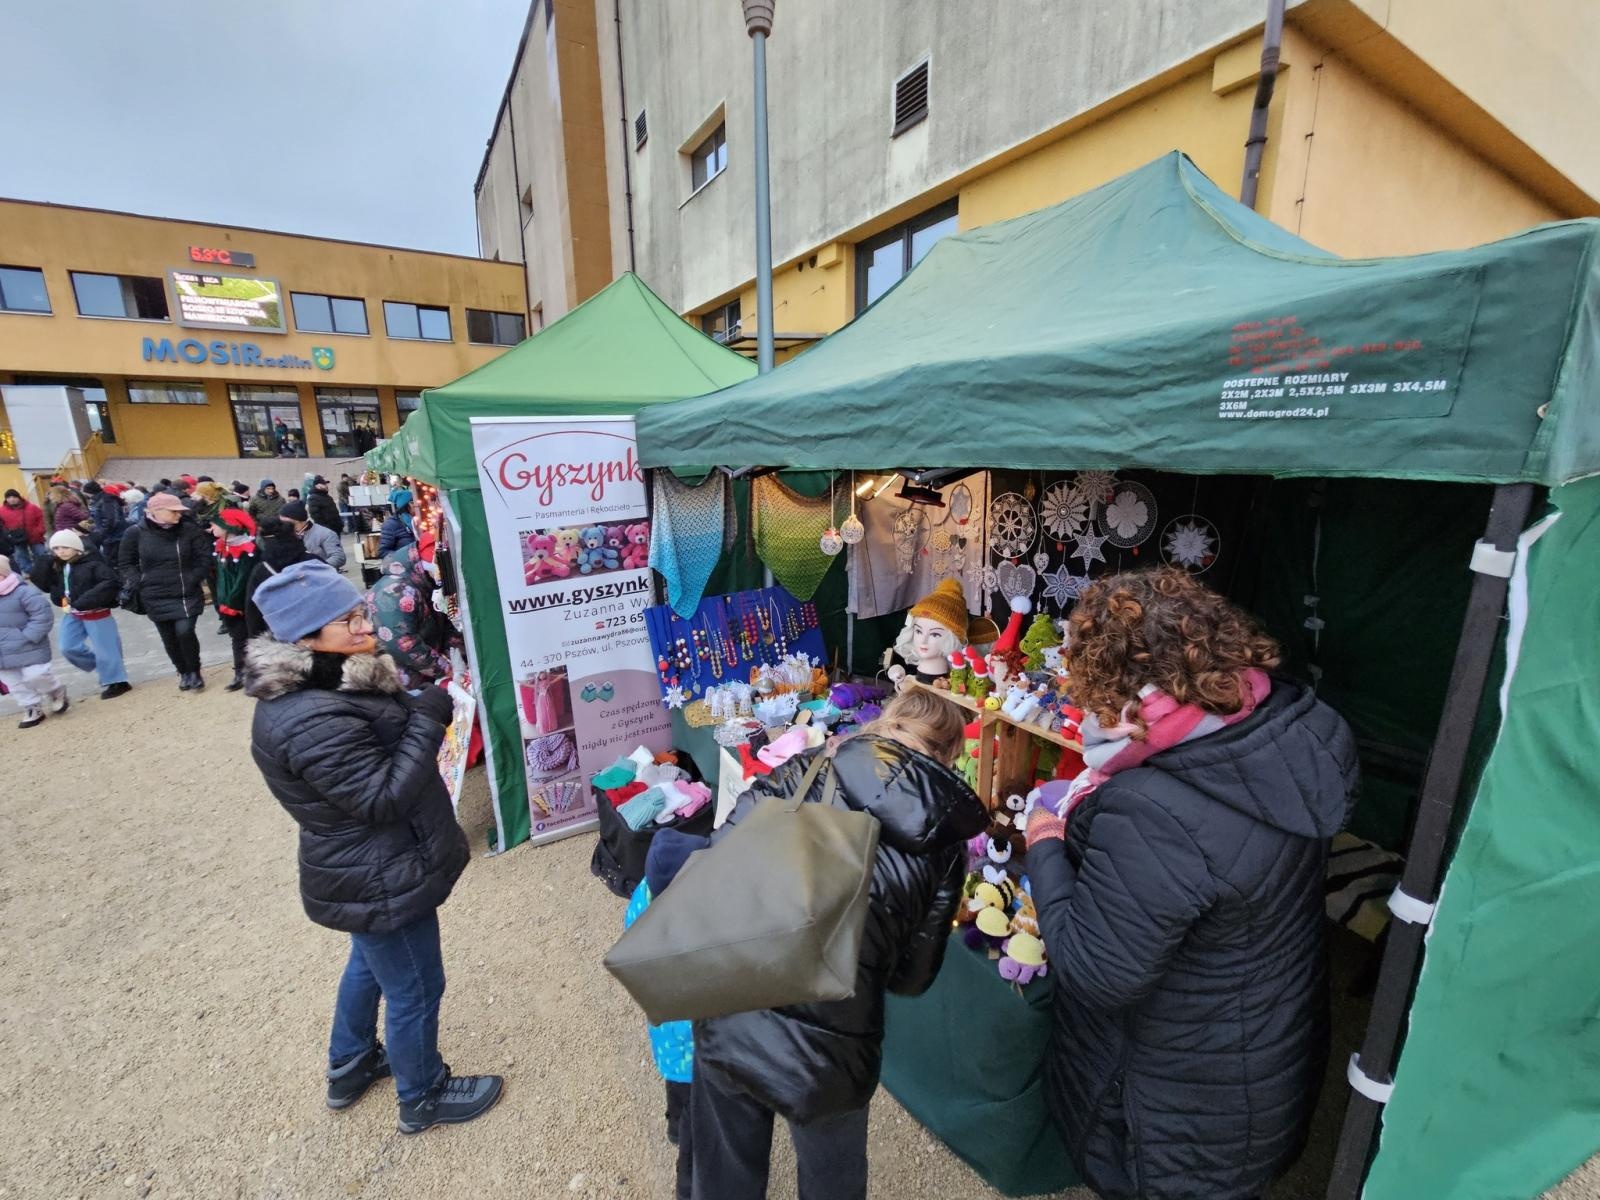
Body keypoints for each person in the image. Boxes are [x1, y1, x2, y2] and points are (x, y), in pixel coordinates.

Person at [1025, 568, 1359, 1200]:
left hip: (1179, 1097)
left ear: (1111, 683)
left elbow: (1095, 973)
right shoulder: (1285, 723)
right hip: (1266, 1042)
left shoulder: (1154, 809)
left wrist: (1044, 843)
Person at [689, 688, 988, 1200]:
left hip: (733, 1002)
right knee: (833, 1178)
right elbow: (912, 979)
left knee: (724, 1172)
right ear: (949, 754)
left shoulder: (804, 770)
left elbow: (718, 857)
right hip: (831, 1049)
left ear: (889, 720)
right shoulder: (944, 850)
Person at [244, 560, 502, 1133]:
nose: (366, 626)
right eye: (348, 621)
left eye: (360, 611)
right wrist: (429, 719)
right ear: (304, 638)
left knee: (370, 962)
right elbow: (381, 798)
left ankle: (351, 1064)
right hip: (379, 871)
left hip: (370, 867)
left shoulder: (327, 679)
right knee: (416, 987)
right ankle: (422, 1095)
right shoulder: (309, 715)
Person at [119, 490, 215, 691]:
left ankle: (195, 670)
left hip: (185, 591)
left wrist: (194, 577)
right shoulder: (135, 532)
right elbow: (126, 562)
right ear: (156, 511)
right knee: (169, 636)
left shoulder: (189, 530)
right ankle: (183, 671)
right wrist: (139, 580)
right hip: (154, 593)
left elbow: (204, 557)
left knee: (185, 631)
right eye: (173, 511)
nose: (178, 514)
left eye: (179, 511)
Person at [29, 530, 131, 700]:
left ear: (76, 547)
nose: (61, 552)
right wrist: (45, 565)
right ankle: (104, 667)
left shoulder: (94, 563)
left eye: (65, 547)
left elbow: (109, 583)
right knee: (67, 647)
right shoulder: (60, 566)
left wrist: (85, 600)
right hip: (72, 612)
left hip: (96, 612)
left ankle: (117, 680)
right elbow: (46, 584)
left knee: (107, 648)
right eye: (56, 548)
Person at [367, 544, 453, 690]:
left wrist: (456, 656)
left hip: (420, 675)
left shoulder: (424, 584)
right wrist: (446, 668)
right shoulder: (394, 592)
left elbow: (444, 626)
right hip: (399, 682)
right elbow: (403, 645)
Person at [0, 554, 68, 728]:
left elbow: (42, 614)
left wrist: (29, 636)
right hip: (3, 652)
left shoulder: (23, 592)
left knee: (36, 675)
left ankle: (55, 691)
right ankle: (31, 707)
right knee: (15, 683)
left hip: (28, 646)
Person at [207, 501, 259, 692]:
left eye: (216, 524)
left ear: (229, 527)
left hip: (244, 604)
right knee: (237, 638)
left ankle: (256, 672)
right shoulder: (221, 547)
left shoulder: (248, 550)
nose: (211, 527)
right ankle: (240, 672)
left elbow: (243, 580)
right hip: (227, 604)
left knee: (252, 637)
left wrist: (232, 603)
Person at [244, 517, 312, 639]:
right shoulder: (313, 560)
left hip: (281, 632)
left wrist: (257, 641)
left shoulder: (261, 570)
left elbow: (253, 611)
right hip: (318, 625)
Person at [281, 500, 347, 571]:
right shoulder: (285, 535)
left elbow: (338, 557)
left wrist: (315, 569)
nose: (282, 524)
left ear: (297, 520)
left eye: (285, 521)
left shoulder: (325, 534)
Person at [1, 489, 47, 573]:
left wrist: (39, 530)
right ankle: (30, 573)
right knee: (21, 557)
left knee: (41, 554)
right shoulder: (2, 511)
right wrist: (8, 535)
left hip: (35, 536)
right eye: (9, 497)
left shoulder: (32, 507)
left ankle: (43, 571)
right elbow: (2, 526)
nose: (12, 499)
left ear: (19, 497)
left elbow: (42, 518)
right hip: (17, 539)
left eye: (14, 497)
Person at [82, 480, 129, 561]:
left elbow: (111, 520)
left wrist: (102, 533)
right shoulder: (100, 500)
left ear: (90, 492)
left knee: (112, 559)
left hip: (113, 536)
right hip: (109, 536)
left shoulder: (106, 500)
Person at [377, 491, 418, 557]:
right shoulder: (391, 525)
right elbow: (383, 552)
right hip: (404, 562)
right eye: (412, 502)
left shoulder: (420, 521)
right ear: (405, 506)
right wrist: (406, 555)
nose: (416, 505)